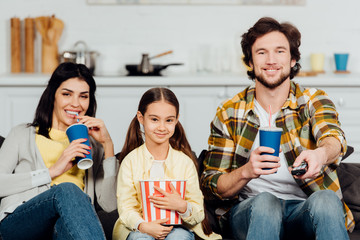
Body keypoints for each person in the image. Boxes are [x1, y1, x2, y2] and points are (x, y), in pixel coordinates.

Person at [200, 17, 355, 240]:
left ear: (292, 59)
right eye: (261, 52)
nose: (271, 60)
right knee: (265, 202)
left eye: (280, 51)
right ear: (251, 62)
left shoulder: (313, 100)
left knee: (326, 199)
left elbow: (333, 137)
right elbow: (212, 185)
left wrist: (320, 155)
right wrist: (246, 172)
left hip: (304, 211)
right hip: (251, 212)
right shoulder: (229, 112)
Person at [0, 62, 118, 240]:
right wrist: (53, 171)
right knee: (67, 190)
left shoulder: (93, 146)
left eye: (83, 96)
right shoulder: (22, 133)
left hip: (67, 223)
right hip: (20, 223)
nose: (75, 103)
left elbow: (109, 205)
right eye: (67, 94)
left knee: (67, 217)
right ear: (53, 95)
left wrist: (108, 145)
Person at [113, 87, 221, 240]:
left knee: (179, 237)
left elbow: (198, 212)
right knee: (141, 239)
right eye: (154, 119)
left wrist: (182, 206)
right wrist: (144, 226)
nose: (162, 127)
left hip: (178, 228)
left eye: (169, 120)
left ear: (176, 120)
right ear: (141, 118)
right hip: (140, 228)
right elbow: (126, 208)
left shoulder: (185, 163)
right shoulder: (130, 162)